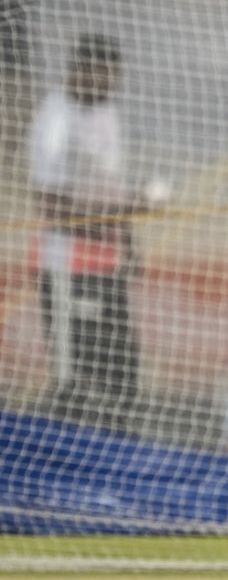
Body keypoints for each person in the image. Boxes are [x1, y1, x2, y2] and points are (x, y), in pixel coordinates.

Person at [27, 33, 142, 433]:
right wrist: (116, 214)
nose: (112, 85)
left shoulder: (107, 113)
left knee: (122, 371)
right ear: (82, 71)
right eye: (105, 76)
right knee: (77, 373)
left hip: (106, 265)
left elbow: (111, 186)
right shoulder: (56, 119)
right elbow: (51, 206)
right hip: (65, 267)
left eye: (116, 77)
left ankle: (117, 456)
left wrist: (128, 241)